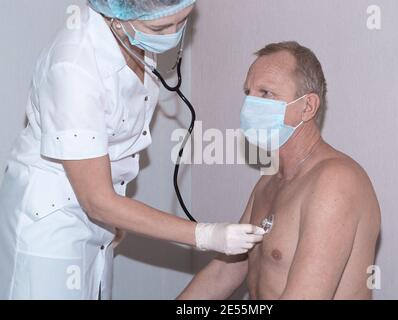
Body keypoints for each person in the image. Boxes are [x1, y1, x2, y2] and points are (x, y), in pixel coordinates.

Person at [0, 0, 264, 300]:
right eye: (160, 27)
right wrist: (206, 235)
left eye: (183, 21)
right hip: (50, 223)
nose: (172, 35)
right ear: (115, 14)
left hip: (98, 213)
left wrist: (115, 215)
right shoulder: (72, 67)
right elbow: (97, 199)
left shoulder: (131, 34)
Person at [178, 41, 381, 300]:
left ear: (307, 107)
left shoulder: (335, 181)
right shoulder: (269, 183)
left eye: (265, 93)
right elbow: (223, 273)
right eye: (248, 92)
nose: (250, 105)